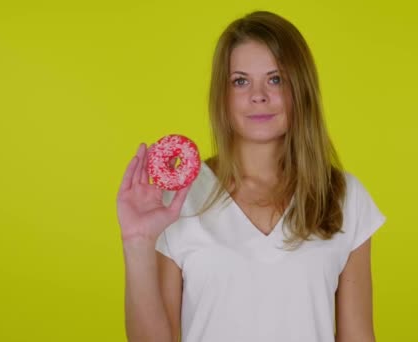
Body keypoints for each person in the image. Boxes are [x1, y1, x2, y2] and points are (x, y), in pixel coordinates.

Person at [116, 10, 387, 342]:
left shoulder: (345, 196)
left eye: (275, 79)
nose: (258, 95)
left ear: (300, 89)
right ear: (223, 95)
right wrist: (138, 242)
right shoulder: (180, 199)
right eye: (240, 81)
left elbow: (358, 336)